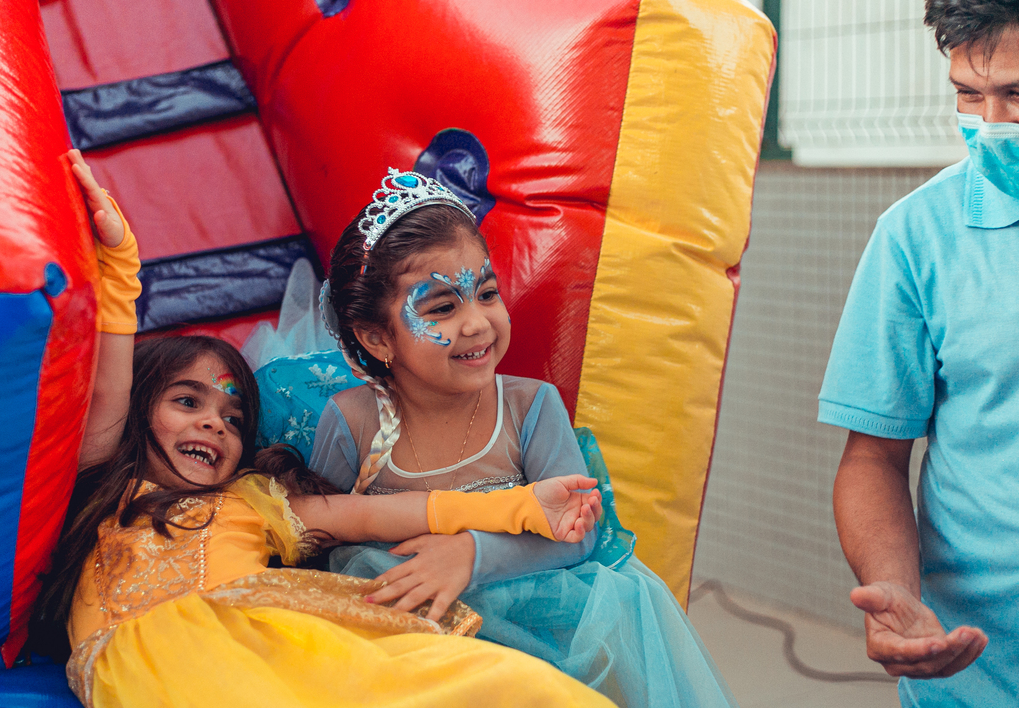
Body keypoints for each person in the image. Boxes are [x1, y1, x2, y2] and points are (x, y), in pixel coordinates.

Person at [40, 149, 617, 708]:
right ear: (137, 414)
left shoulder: (256, 503)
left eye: (234, 419)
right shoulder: (107, 487)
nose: (214, 423)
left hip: (298, 655)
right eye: (188, 402)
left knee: (515, 685)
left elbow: (380, 514)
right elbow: (108, 390)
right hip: (175, 677)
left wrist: (521, 507)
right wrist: (121, 271)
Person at [309, 169, 738, 708]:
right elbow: (314, 535)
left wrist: (472, 553)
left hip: (536, 640)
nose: (477, 323)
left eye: (486, 293)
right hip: (404, 647)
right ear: (377, 338)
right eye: (442, 307)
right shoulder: (353, 422)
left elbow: (578, 534)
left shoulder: (528, 406)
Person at [821, 0, 1019, 704]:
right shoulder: (919, 237)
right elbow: (874, 458)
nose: (989, 128)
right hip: (985, 686)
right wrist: (895, 590)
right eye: (968, 94)